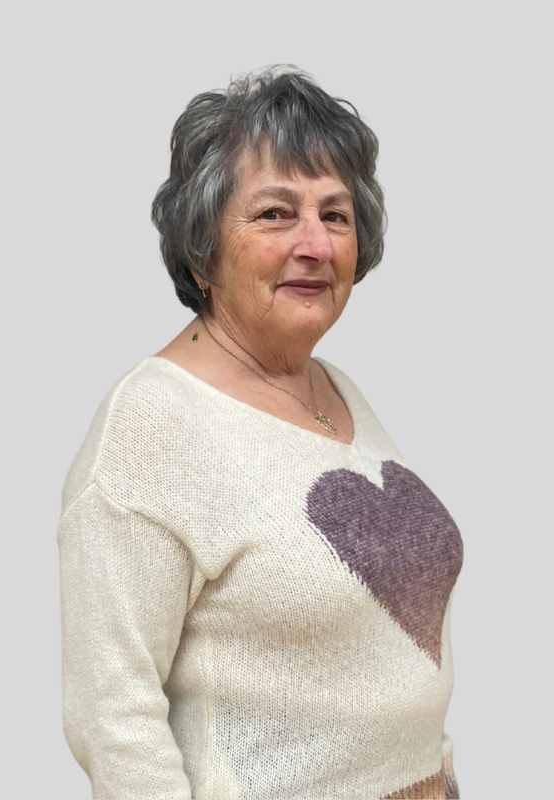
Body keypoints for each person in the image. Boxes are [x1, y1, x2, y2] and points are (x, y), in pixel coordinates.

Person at [56, 66, 464, 800]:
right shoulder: (151, 426)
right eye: (275, 213)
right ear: (202, 246)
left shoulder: (337, 389)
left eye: (336, 216)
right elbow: (112, 719)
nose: (316, 244)